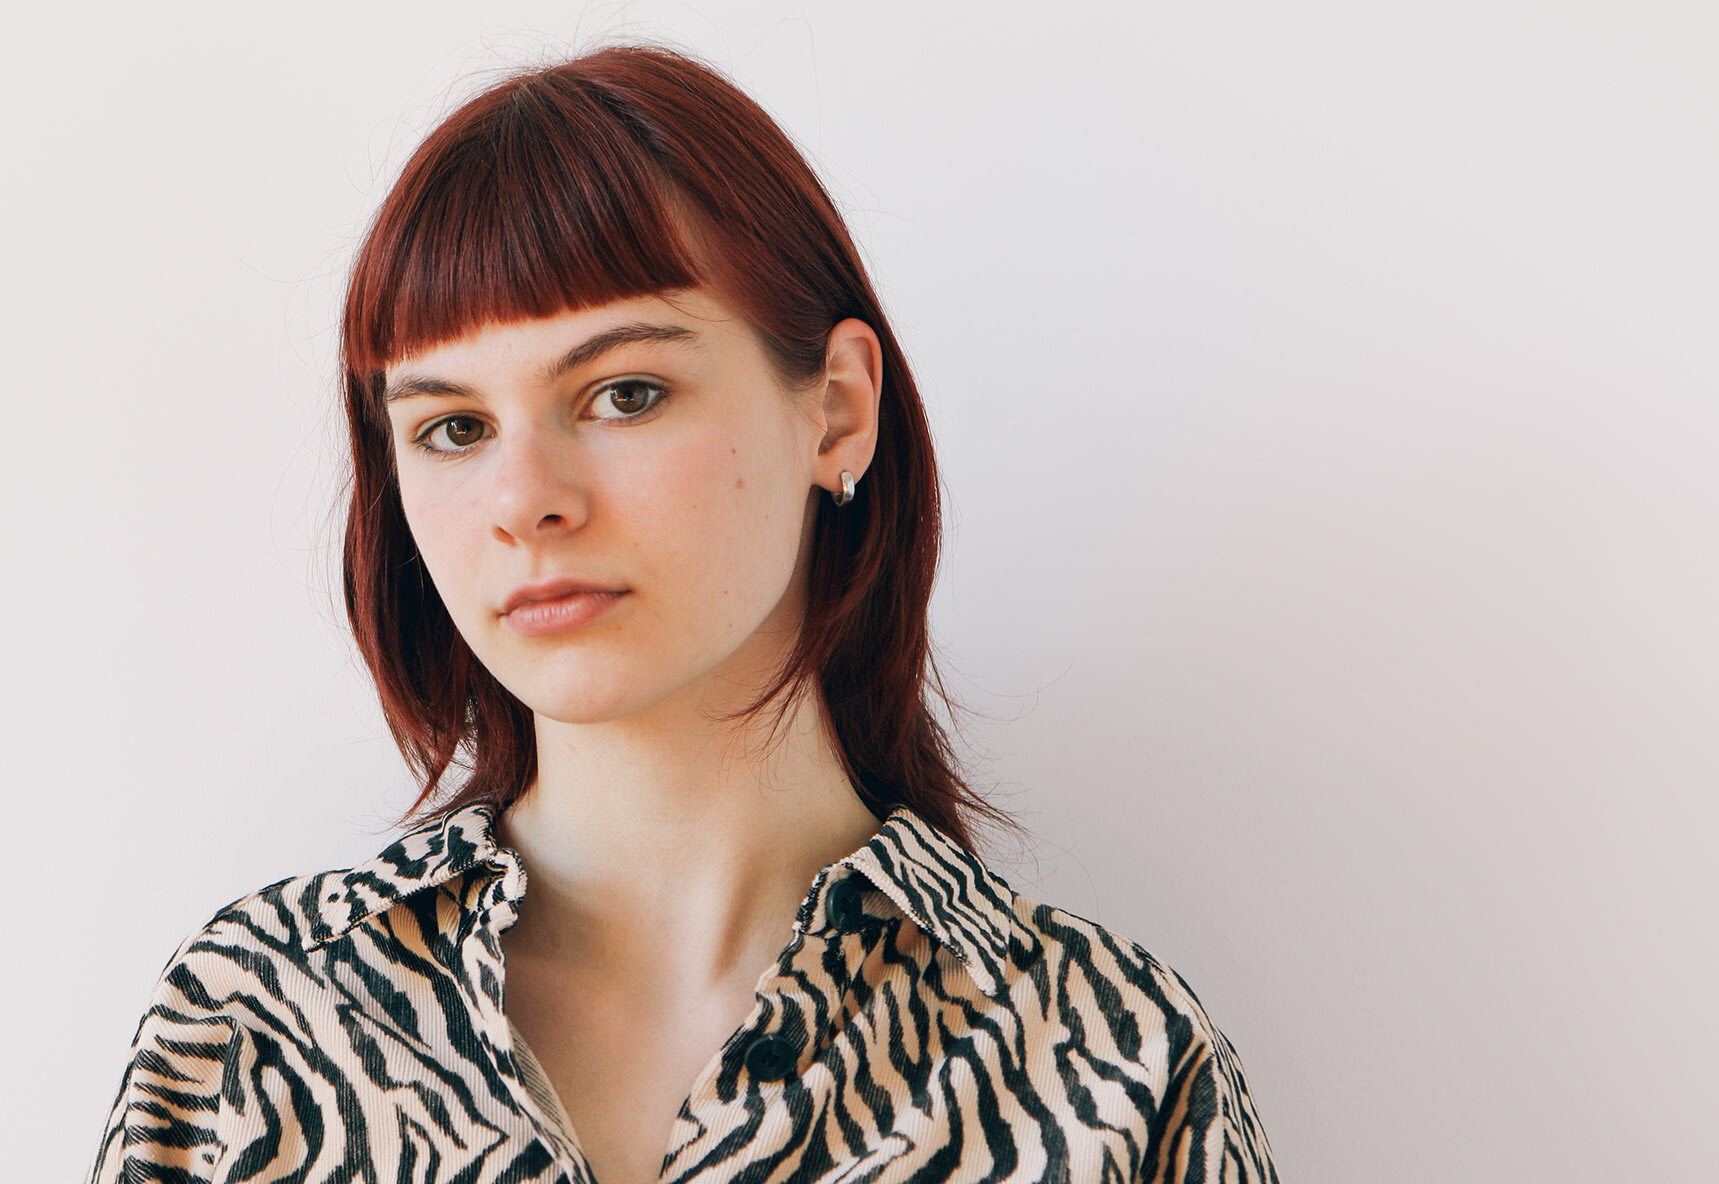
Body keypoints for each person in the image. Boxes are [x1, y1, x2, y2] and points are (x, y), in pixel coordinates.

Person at [87, 42, 1280, 1184]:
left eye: (623, 392)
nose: (525, 500)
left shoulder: (1114, 1064)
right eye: (453, 427)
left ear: (837, 409)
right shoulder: (249, 1030)